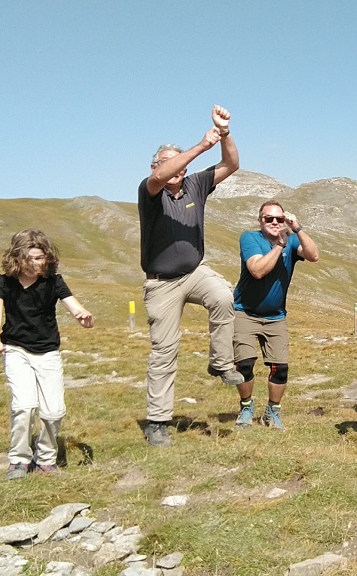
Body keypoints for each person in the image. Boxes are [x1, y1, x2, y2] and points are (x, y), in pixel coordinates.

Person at [138, 104, 244, 447]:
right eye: (167, 162)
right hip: (162, 283)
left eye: (179, 163)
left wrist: (224, 133)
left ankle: (220, 363)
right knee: (164, 352)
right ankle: (157, 422)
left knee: (223, 296)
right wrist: (200, 146)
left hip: (195, 272)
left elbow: (231, 164)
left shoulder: (195, 185)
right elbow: (160, 177)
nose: (175, 168)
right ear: (155, 166)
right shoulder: (150, 191)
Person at [0, 229, 94, 480]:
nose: (36, 263)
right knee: (24, 406)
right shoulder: (2, 282)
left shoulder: (54, 282)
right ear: (17, 257)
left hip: (48, 352)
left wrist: (84, 318)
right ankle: (18, 460)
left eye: (40, 258)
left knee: (54, 412)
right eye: (30, 258)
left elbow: (76, 307)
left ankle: (45, 458)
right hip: (16, 350)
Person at [231, 200, 320, 430]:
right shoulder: (250, 238)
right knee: (244, 364)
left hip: (276, 316)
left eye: (279, 219)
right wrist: (280, 246)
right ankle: (246, 406)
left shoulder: (292, 239)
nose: (274, 222)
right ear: (260, 220)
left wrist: (298, 229)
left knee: (280, 369)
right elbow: (257, 270)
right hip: (245, 312)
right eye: (268, 218)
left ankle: (272, 411)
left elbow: (313, 256)